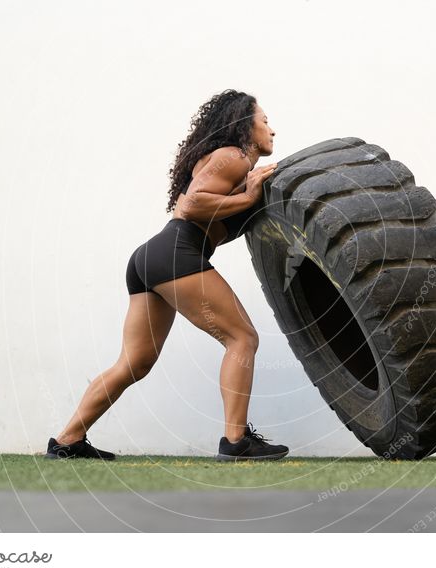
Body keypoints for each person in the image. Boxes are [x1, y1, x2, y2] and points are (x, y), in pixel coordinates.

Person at [44, 89, 288, 462]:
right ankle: (235, 442)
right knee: (242, 337)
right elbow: (191, 205)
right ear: (244, 125)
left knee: (134, 362)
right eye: (265, 121)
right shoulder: (235, 157)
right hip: (177, 253)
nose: (272, 129)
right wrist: (248, 199)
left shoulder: (223, 162)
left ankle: (67, 441)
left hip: (152, 259)